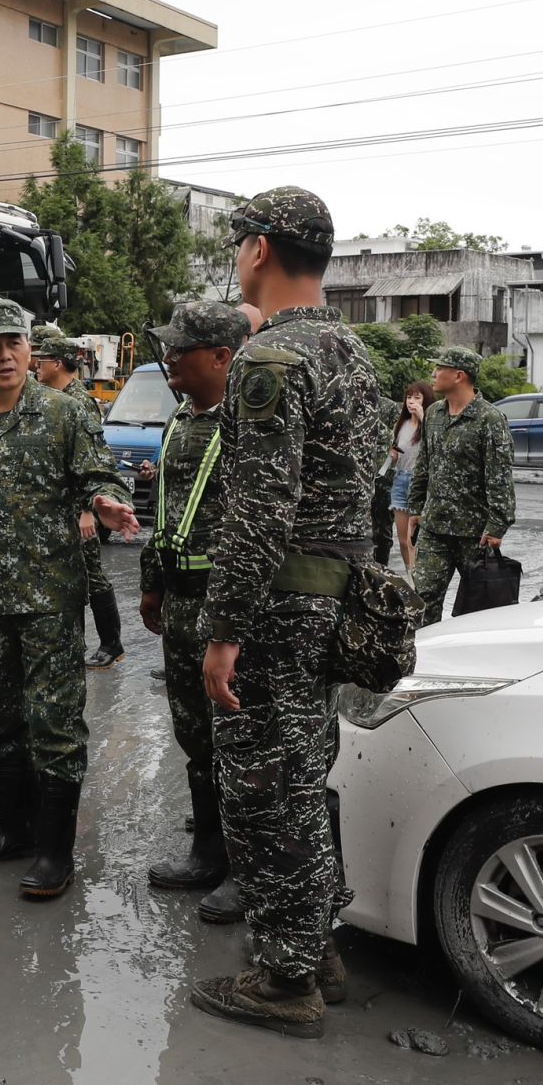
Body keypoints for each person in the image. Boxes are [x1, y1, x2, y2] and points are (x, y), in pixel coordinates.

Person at [190, 185, 382, 1039]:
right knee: (305, 774)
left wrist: (222, 630)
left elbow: (260, 510)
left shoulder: (272, 361)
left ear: (260, 248)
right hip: (336, 600)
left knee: (266, 789)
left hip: (277, 607)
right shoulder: (354, 352)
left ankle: (286, 976)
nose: (238, 257)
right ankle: (318, 946)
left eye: (240, 244)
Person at [0, 302, 138, 899]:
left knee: (53, 723)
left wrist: (104, 499)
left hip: (49, 599)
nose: (3, 356)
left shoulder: (63, 414)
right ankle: (13, 832)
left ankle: (55, 853)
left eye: (13, 344)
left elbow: (99, 473)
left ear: (28, 349)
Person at [136, 302, 251, 921]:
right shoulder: (181, 418)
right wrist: (153, 583)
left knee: (235, 740)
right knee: (195, 736)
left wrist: (230, 622)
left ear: (222, 356)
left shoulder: (247, 426)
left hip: (224, 609)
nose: (170, 358)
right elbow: (167, 511)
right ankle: (208, 854)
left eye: (182, 348)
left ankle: (245, 867)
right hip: (180, 600)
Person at [33, 335, 127, 670]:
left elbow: (92, 462)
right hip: (62, 508)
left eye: (41, 360)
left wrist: (88, 511)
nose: (36, 366)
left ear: (57, 363)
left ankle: (112, 644)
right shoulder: (52, 396)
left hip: (80, 509)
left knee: (92, 573)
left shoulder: (79, 402)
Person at [407, 347, 515, 626]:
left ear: (459, 375)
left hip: (474, 533)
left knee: (477, 609)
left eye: (439, 368)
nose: (433, 373)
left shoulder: (490, 419)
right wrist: (416, 509)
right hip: (434, 528)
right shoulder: (433, 414)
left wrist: (496, 526)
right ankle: (422, 659)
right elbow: (424, 466)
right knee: (422, 600)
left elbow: (499, 477)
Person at [390, 380, 433, 573]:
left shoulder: (430, 425)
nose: (411, 401)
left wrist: (424, 417)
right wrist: (391, 456)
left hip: (420, 483)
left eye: (417, 397)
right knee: (402, 539)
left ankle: (419, 578)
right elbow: (396, 456)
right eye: (409, 397)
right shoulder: (402, 424)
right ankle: (410, 576)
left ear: (426, 400)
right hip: (400, 480)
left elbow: (438, 443)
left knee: (415, 538)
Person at [369, 396, 400, 566]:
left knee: (383, 530)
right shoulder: (350, 400)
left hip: (384, 480)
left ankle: (382, 566)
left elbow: (398, 438)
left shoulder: (388, 406)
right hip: (362, 478)